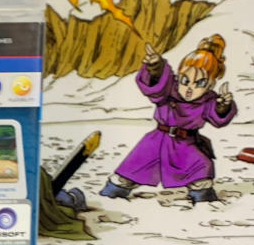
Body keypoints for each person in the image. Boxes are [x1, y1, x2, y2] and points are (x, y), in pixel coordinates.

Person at [100, 36, 236, 204]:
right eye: (185, 80)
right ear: (179, 76)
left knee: (201, 168)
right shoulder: (168, 90)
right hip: (157, 140)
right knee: (132, 168)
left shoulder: (208, 100)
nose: (190, 88)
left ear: (210, 85)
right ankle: (115, 190)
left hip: (186, 144)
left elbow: (217, 117)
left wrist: (223, 106)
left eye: (200, 83)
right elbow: (155, 86)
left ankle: (202, 196)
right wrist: (155, 67)